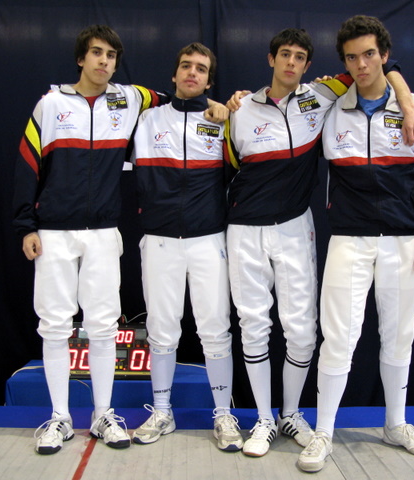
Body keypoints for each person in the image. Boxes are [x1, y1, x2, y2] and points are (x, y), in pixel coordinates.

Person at [225, 27, 414, 457]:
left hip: (296, 226)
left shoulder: (322, 97)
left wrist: (407, 102)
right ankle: (263, 418)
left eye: (299, 57)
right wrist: (223, 106)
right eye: (284, 55)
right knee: (253, 326)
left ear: (308, 65)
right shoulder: (240, 110)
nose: (291, 63)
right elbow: (228, 167)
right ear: (270, 59)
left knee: (302, 331)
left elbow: (380, 68)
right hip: (245, 229)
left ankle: (291, 414)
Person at [297, 15, 414, 473]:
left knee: (399, 337)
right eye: (351, 57)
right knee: (338, 339)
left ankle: (395, 424)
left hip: (404, 241)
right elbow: (286, 100)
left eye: (369, 54)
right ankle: (323, 432)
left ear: (385, 55)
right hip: (349, 240)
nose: (361, 65)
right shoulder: (329, 107)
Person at [12, 24, 170, 455]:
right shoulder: (50, 105)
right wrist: (26, 225)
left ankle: (103, 414)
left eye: (111, 55)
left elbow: (176, 100)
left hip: (102, 233)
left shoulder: (130, 98)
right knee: (54, 326)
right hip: (54, 233)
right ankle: (60, 418)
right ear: (81, 59)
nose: (104, 61)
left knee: (103, 326)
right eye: (97, 53)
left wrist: (214, 105)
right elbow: (26, 166)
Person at [129, 42, 243, 452]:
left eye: (201, 68)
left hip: (209, 239)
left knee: (215, 330)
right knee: (162, 329)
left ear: (209, 80)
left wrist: (227, 108)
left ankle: (223, 414)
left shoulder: (223, 121)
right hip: (159, 240)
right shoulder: (146, 119)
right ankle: (162, 412)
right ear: (175, 74)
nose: (192, 73)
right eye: (186, 66)